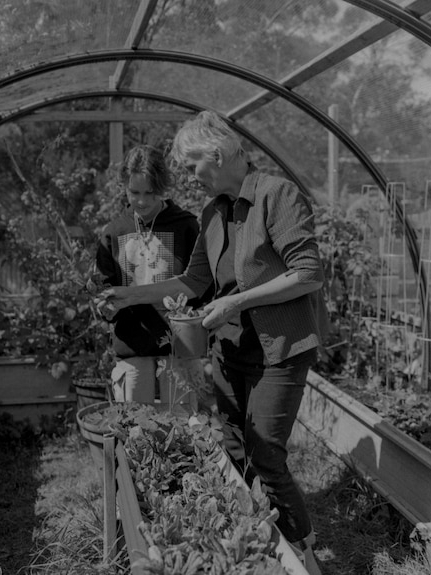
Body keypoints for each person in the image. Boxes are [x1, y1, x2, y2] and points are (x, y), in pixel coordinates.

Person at [99, 111, 327, 573]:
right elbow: (194, 280)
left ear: (217, 156)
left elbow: (307, 272)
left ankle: (305, 551)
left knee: (266, 453)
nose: (188, 178)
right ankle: (259, 547)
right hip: (230, 349)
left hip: (278, 349)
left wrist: (235, 303)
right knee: (233, 447)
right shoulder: (215, 211)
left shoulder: (276, 195)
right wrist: (126, 295)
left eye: (191, 167)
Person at [96, 144, 202, 407]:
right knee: (134, 428)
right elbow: (104, 288)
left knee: (182, 426)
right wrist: (104, 308)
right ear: (124, 186)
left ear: (162, 188)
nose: (141, 201)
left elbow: (201, 284)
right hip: (132, 346)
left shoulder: (186, 226)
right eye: (134, 192)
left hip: (179, 347)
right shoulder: (114, 232)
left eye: (149, 193)